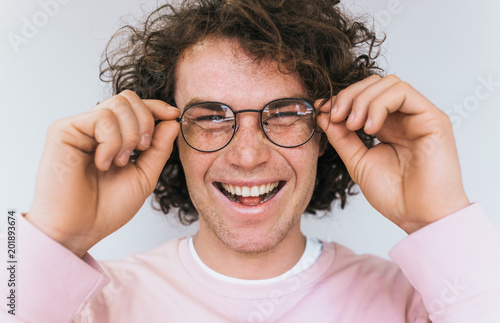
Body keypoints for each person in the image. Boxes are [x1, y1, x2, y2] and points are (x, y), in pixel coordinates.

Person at [3, 0, 500, 322]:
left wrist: (440, 218)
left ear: (325, 133)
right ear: (165, 135)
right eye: (211, 116)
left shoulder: (427, 303)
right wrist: (53, 237)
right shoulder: (85, 306)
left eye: (284, 113)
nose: (247, 154)